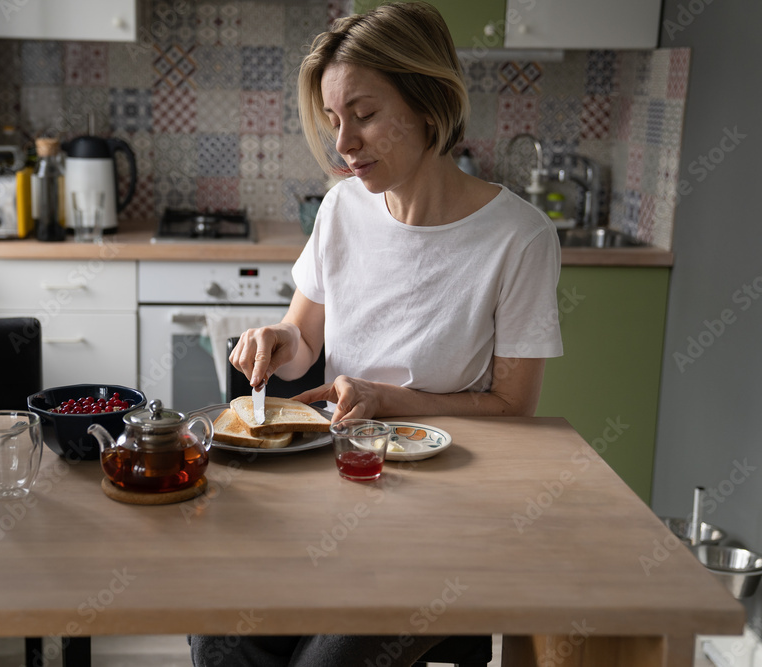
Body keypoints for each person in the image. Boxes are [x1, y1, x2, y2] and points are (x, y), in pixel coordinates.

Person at [192, 2, 562, 665]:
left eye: (362, 114)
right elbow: (302, 337)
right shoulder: (341, 209)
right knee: (217, 627)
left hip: (446, 523)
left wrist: (390, 399)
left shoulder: (518, 237)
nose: (343, 144)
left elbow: (515, 407)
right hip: (334, 494)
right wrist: (276, 338)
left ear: (427, 104)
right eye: (334, 120)